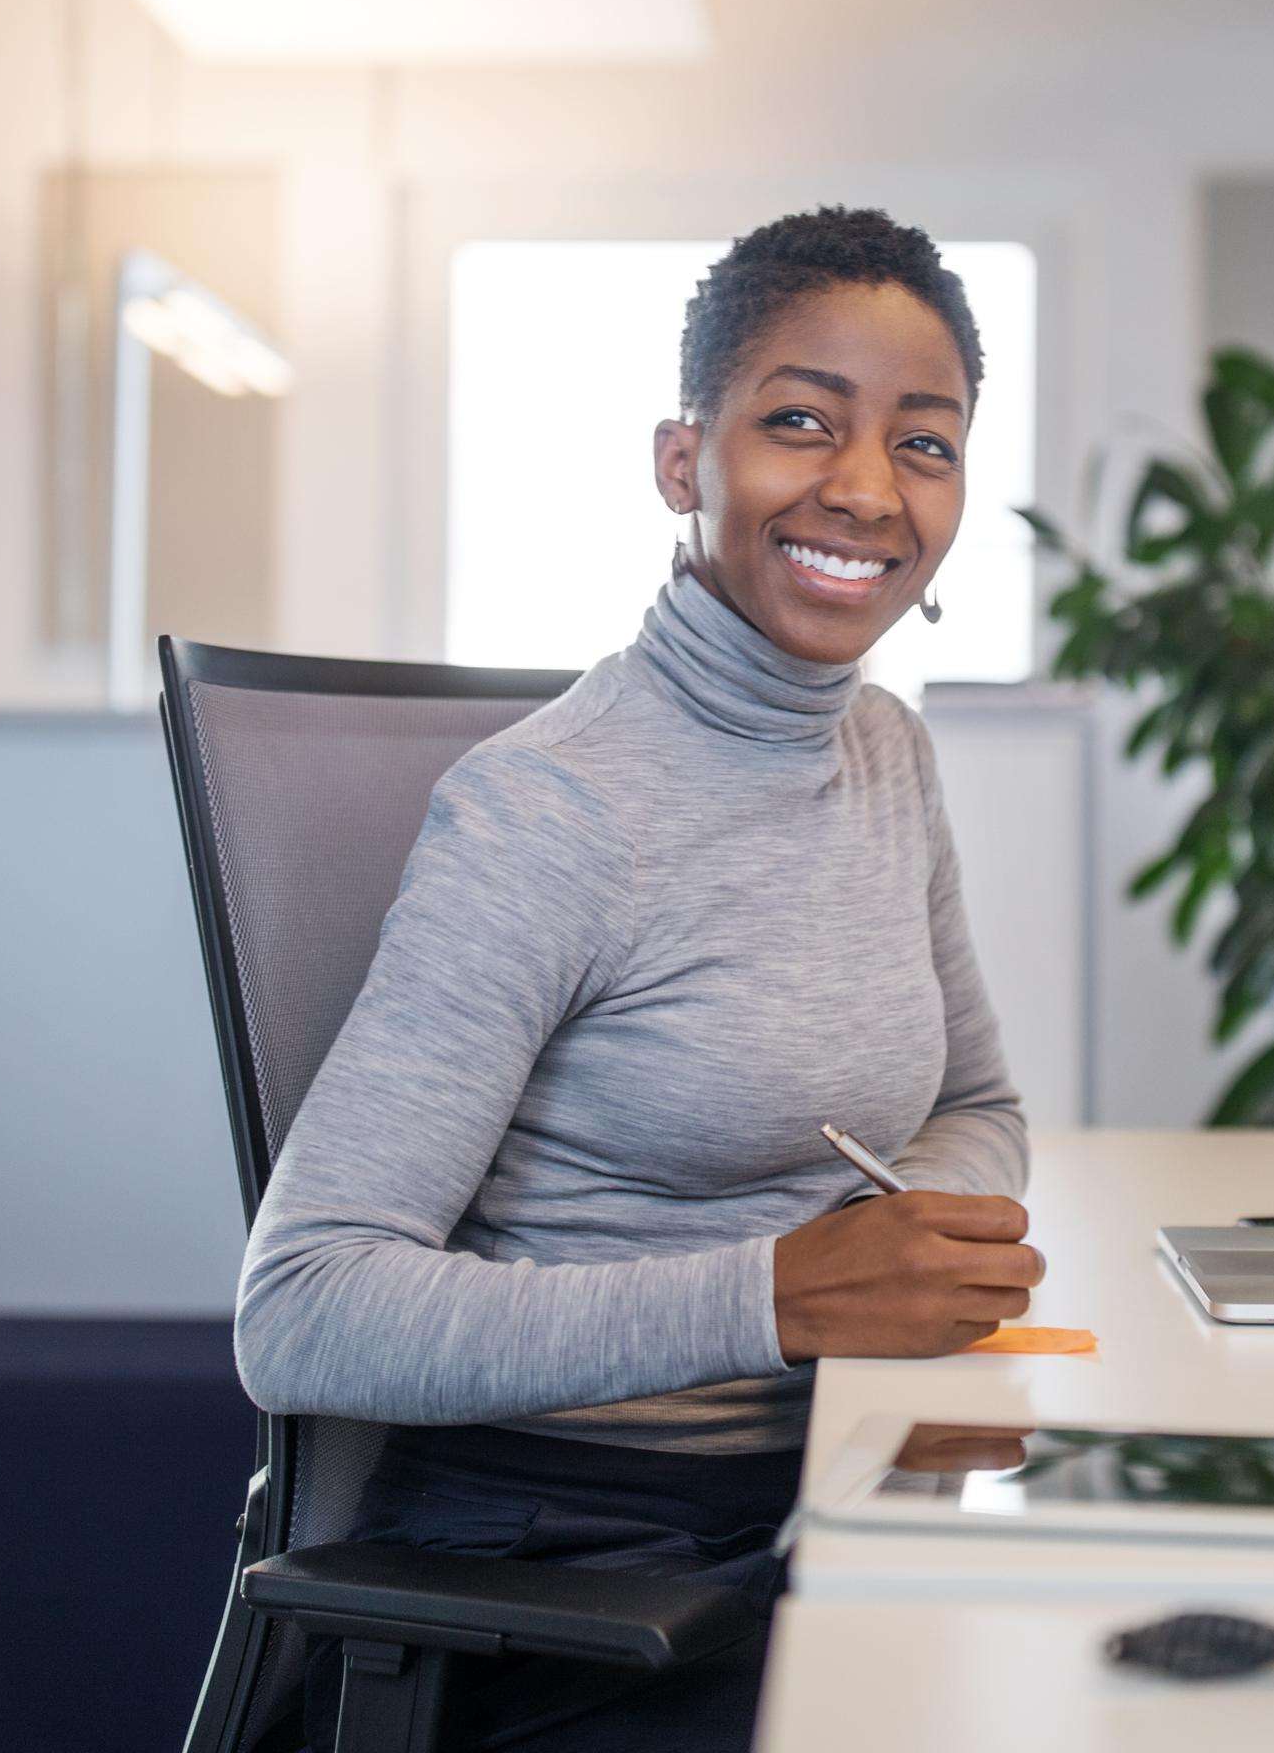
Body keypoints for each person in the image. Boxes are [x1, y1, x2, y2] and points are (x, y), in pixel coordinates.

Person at [237, 207, 1038, 1749]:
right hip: (580, 1579)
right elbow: (303, 1312)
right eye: (801, 421)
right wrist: (779, 1296)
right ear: (686, 463)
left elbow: (983, 1102)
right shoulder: (549, 811)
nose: (866, 488)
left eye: (923, 444)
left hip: (821, 1494)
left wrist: (895, 1235)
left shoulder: (886, 754)